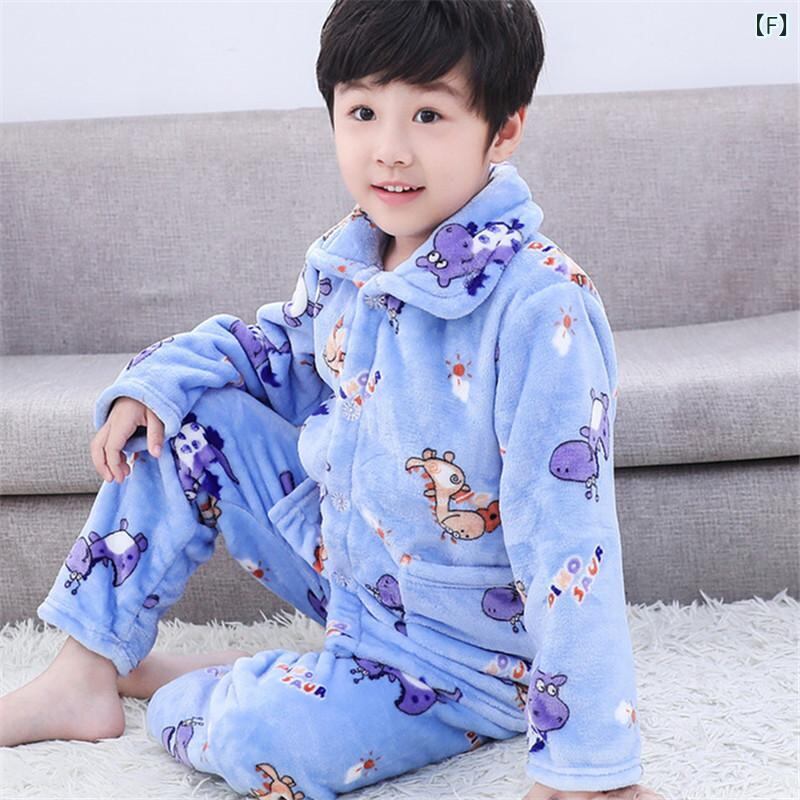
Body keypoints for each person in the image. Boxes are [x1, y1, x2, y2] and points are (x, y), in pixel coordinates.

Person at [0, 2, 666, 799]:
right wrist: (154, 382)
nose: (390, 149)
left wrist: (591, 768)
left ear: (504, 129)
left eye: (428, 114)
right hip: (353, 574)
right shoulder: (350, 261)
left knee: (258, 742)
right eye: (362, 112)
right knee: (182, 411)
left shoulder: (541, 307)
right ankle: (83, 672)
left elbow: (570, 540)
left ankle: (241, 682)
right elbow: (272, 353)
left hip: (465, 657)